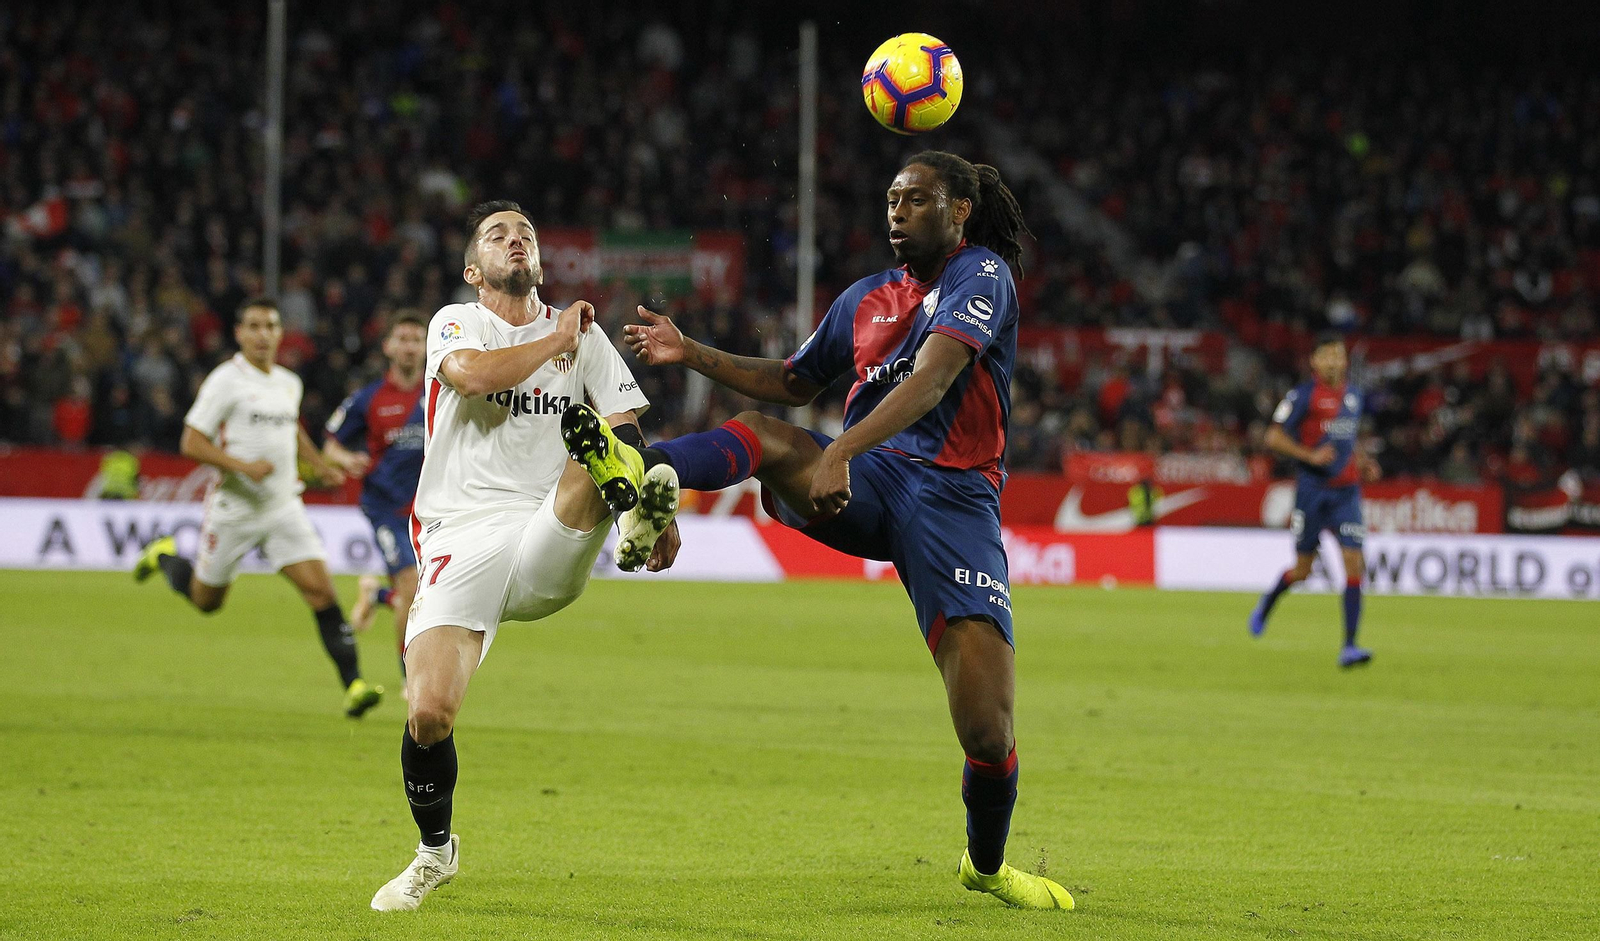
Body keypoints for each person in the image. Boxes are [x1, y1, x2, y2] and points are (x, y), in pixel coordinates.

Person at [562, 151, 1073, 910]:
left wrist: (839, 449)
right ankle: (640, 474)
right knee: (764, 433)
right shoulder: (865, 298)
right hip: (868, 482)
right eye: (892, 199)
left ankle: (987, 865)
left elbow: (935, 377)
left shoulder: (982, 275)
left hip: (954, 501)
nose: (897, 212)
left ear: (960, 210)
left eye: (917, 200)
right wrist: (690, 351)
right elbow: (794, 381)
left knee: (988, 733)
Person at [369, 201, 681, 912]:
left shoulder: (584, 335)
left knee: (597, 440)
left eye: (526, 234)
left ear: (538, 258)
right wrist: (555, 338)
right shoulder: (456, 322)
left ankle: (630, 512)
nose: (516, 241)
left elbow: (628, 425)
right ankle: (435, 852)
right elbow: (471, 377)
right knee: (428, 714)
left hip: (548, 524)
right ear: (473, 269)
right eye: (498, 235)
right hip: (459, 533)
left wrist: (659, 502)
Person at [132, 298, 383, 717]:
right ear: (239, 334)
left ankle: (354, 685)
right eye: (254, 326)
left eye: (270, 326)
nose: (263, 334)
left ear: (281, 333)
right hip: (235, 509)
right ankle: (164, 556)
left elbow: (291, 428)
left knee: (322, 592)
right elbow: (191, 442)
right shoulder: (225, 381)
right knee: (207, 602)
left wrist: (319, 465)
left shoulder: (288, 382)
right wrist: (242, 467)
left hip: (283, 507)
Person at [1249, 333, 1378, 667]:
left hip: (1346, 492)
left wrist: (1362, 462)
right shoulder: (1302, 396)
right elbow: (1273, 436)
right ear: (1314, 362)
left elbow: (1347, 440)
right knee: (1302, 570)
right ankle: (1268, 602)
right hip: (1312, 492)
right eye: (1327, 356)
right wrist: (1309, 455)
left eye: (1339, 355)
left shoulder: (1354, 396)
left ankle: (1350, 646)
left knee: (1354, 562)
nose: (1334, 362)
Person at [323, 309, 428, 690]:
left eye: (416, 339)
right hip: (386, 508)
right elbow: (331, 443)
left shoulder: (440, 393)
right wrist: (345, 459)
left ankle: (377, 594)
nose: (410, 347)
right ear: (388, 346)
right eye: (403, 339)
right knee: (412, 587)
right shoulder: (369, 398)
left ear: (427, 346)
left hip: (431, 510)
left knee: (427, 594)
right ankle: (409, 681)